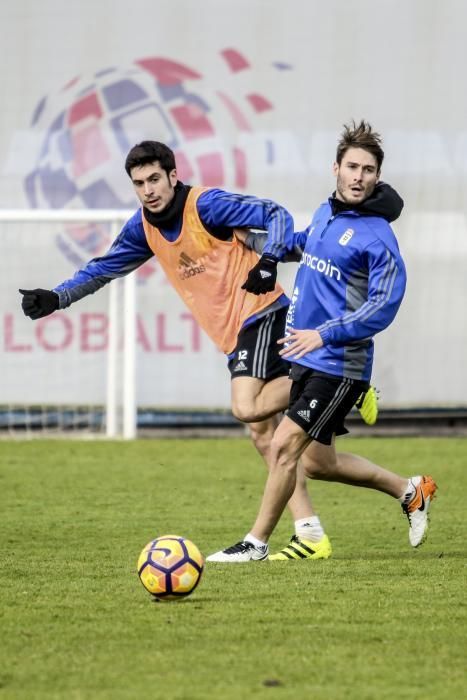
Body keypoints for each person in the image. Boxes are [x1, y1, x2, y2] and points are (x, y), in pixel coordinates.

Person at [206, 120, 437, 563]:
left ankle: (255, 543)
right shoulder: (326, 214)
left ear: (377, 178)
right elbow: (302, 245)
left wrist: (323, 333)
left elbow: (383, 306)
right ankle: (409, 490)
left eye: (368, 170)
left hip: (338, 362)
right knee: (317, 463)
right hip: (307, 357)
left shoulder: (378, 237)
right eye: (352, 166)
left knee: (282, 446)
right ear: (336, 168)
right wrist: (255, 241)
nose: (359, 176)